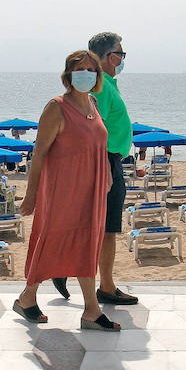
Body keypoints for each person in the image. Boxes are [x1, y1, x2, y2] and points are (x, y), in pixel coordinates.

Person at [14, 50, 120, 331]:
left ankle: (91, 310)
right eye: (78, 68)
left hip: (93, 188)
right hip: (63, 188)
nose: (84, 73)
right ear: (68, 74)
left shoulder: (94, 103)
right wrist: (31, 195)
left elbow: (100, 143)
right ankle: (27, 296)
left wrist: (107, 172)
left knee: (88, 243)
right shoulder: (56, 107)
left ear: (97, 76)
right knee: (52, 240)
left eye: (90, 69)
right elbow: (38, 154)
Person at [50, 32, 138, 306]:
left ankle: (67, 271)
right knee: (106, 228)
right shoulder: (101, 87)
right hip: (105, 160)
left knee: (101, 226)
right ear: (109, 56)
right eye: (121, 54)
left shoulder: (109, 83)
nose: (123, 60)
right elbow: (90, 130)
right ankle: (105, 286)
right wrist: (105, 167)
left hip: (110, 159)